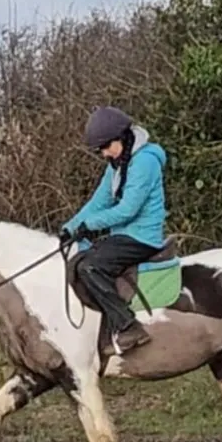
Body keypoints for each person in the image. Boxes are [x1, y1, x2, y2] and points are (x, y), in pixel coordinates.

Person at [60, 105, 168, 354]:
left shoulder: (145, 162)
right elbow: (99, 202)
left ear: (123, 137)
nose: (105, 154)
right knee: (77, 261)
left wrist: (90, 225)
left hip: (142, 237)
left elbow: (128, 209)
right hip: (123, 235)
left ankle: (129, 326)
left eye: (107, 147)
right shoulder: (118, 164)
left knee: (91, 266)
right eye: (100, 150)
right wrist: (71, 226)